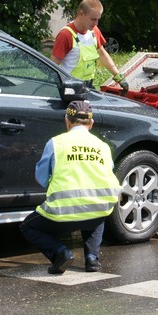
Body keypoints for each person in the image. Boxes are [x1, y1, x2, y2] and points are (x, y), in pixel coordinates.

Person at [20, 100, 121, 274]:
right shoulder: (102, 146)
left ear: (67, 120)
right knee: (97, 211)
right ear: (91, 123)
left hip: (61, 214)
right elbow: (107, 172)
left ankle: (60, 253)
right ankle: (92, 259)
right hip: (97, 212)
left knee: (28, 226)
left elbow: (41, 178)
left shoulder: (56, 143)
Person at [52, 0, 128, 92]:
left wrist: (118, 75)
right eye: (93, 19)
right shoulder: (65, 35)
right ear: (81, 14)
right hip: (70, 88)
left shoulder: (94, 31)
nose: (96, 23)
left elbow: (102, 54)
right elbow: (53, 65)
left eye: (98, 19)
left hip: (88, 85)